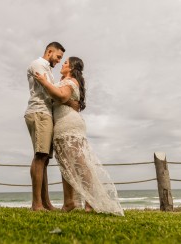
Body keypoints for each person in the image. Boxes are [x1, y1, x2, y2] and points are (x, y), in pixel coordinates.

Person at [34, 56, 124, 216]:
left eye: (66, 63)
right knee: (66, 165)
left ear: (72, 68)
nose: (63, 64)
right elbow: (60, 98)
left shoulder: (71, 81)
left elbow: (61, 96)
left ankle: (90, 202)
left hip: (69, 125)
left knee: (80, 164)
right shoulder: (63, 82)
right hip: (61, 124)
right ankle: (69, 202)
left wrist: (43, 81)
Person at [24, 42, 65, 211]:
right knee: (40, 157)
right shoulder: (37, 64)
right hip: (39, 112)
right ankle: (37, 204)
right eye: (58, 57)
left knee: (44, 159)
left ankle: (45, 202)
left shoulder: (47, 69)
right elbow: (49, 91)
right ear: (49, 52)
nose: (59, 61)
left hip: (45, 114)